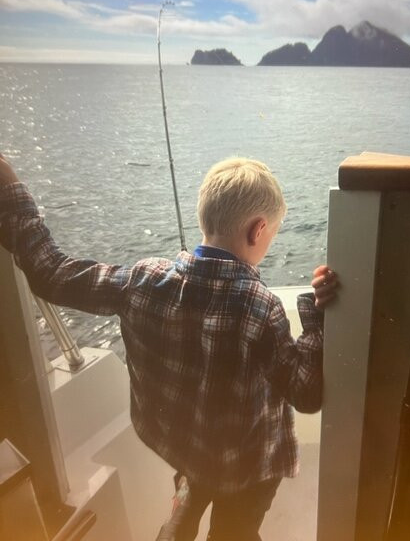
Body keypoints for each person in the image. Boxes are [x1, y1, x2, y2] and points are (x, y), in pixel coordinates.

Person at [0, 154, 337, 541]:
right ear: (258, 230)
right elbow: (305, 392)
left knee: (192, 485)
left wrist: (11, 190)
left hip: (183, 447)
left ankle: (180, 518)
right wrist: (317, 316)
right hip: (246, 467)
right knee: (234, 532)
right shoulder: (260, 307)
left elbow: (51, 274)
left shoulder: (142, 279)